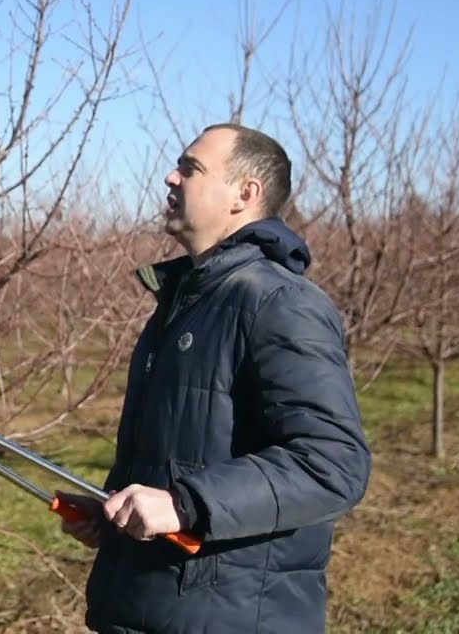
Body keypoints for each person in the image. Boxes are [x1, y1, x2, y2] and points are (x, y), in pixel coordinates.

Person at [58, 123, 371, 633]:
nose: (170, 177)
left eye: (190, 168)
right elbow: (183, 454)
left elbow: (333, 464)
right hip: (145, 607)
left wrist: (185, 506)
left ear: (244, 195)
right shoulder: (184, 303)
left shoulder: (277, 302)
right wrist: (118, 514)